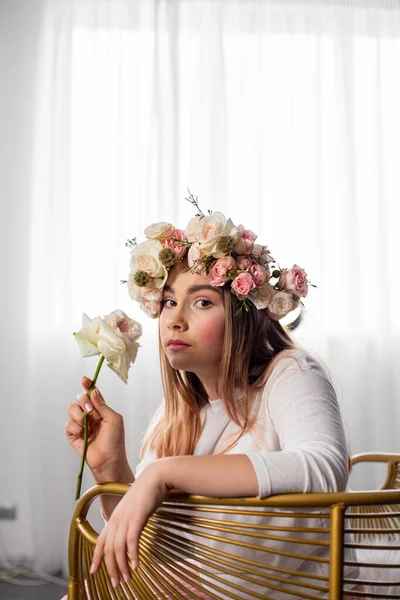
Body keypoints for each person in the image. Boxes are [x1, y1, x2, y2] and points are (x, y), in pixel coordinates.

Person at [65, 202, 365, 599]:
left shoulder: (291, 372)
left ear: (242, 317)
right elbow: (154, 539)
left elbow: (324, 467)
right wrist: (111, 468)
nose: (174, 318)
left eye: (202, 302)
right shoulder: (178, 416)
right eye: (169, 301)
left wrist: (163, 473)